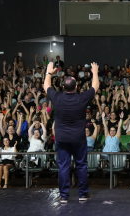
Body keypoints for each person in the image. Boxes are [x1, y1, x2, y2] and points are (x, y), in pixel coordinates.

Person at [44, 62, 99, 203]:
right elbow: (95, 87)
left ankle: (63, 196)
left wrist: (49, 72)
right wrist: (95, 72)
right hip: (78, 138)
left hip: (61, 138)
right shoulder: (81, 98)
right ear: (76, 87)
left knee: (63, 166)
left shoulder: (57, 97)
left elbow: (46, 86)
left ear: (63, 88)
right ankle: (82, 194)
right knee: (81, 165)